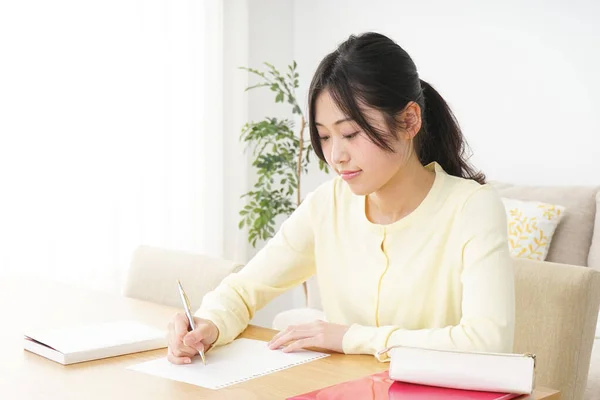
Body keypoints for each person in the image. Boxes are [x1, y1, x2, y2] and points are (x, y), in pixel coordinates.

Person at [166, 32, 515, 365]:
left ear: (409, 121)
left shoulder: (473, 207)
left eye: (350, 133)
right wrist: (208, 324)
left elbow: (487, 343)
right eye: (324, 137)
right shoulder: (327, 206)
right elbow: (245, 288)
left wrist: (349, 337)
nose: (336, 156)